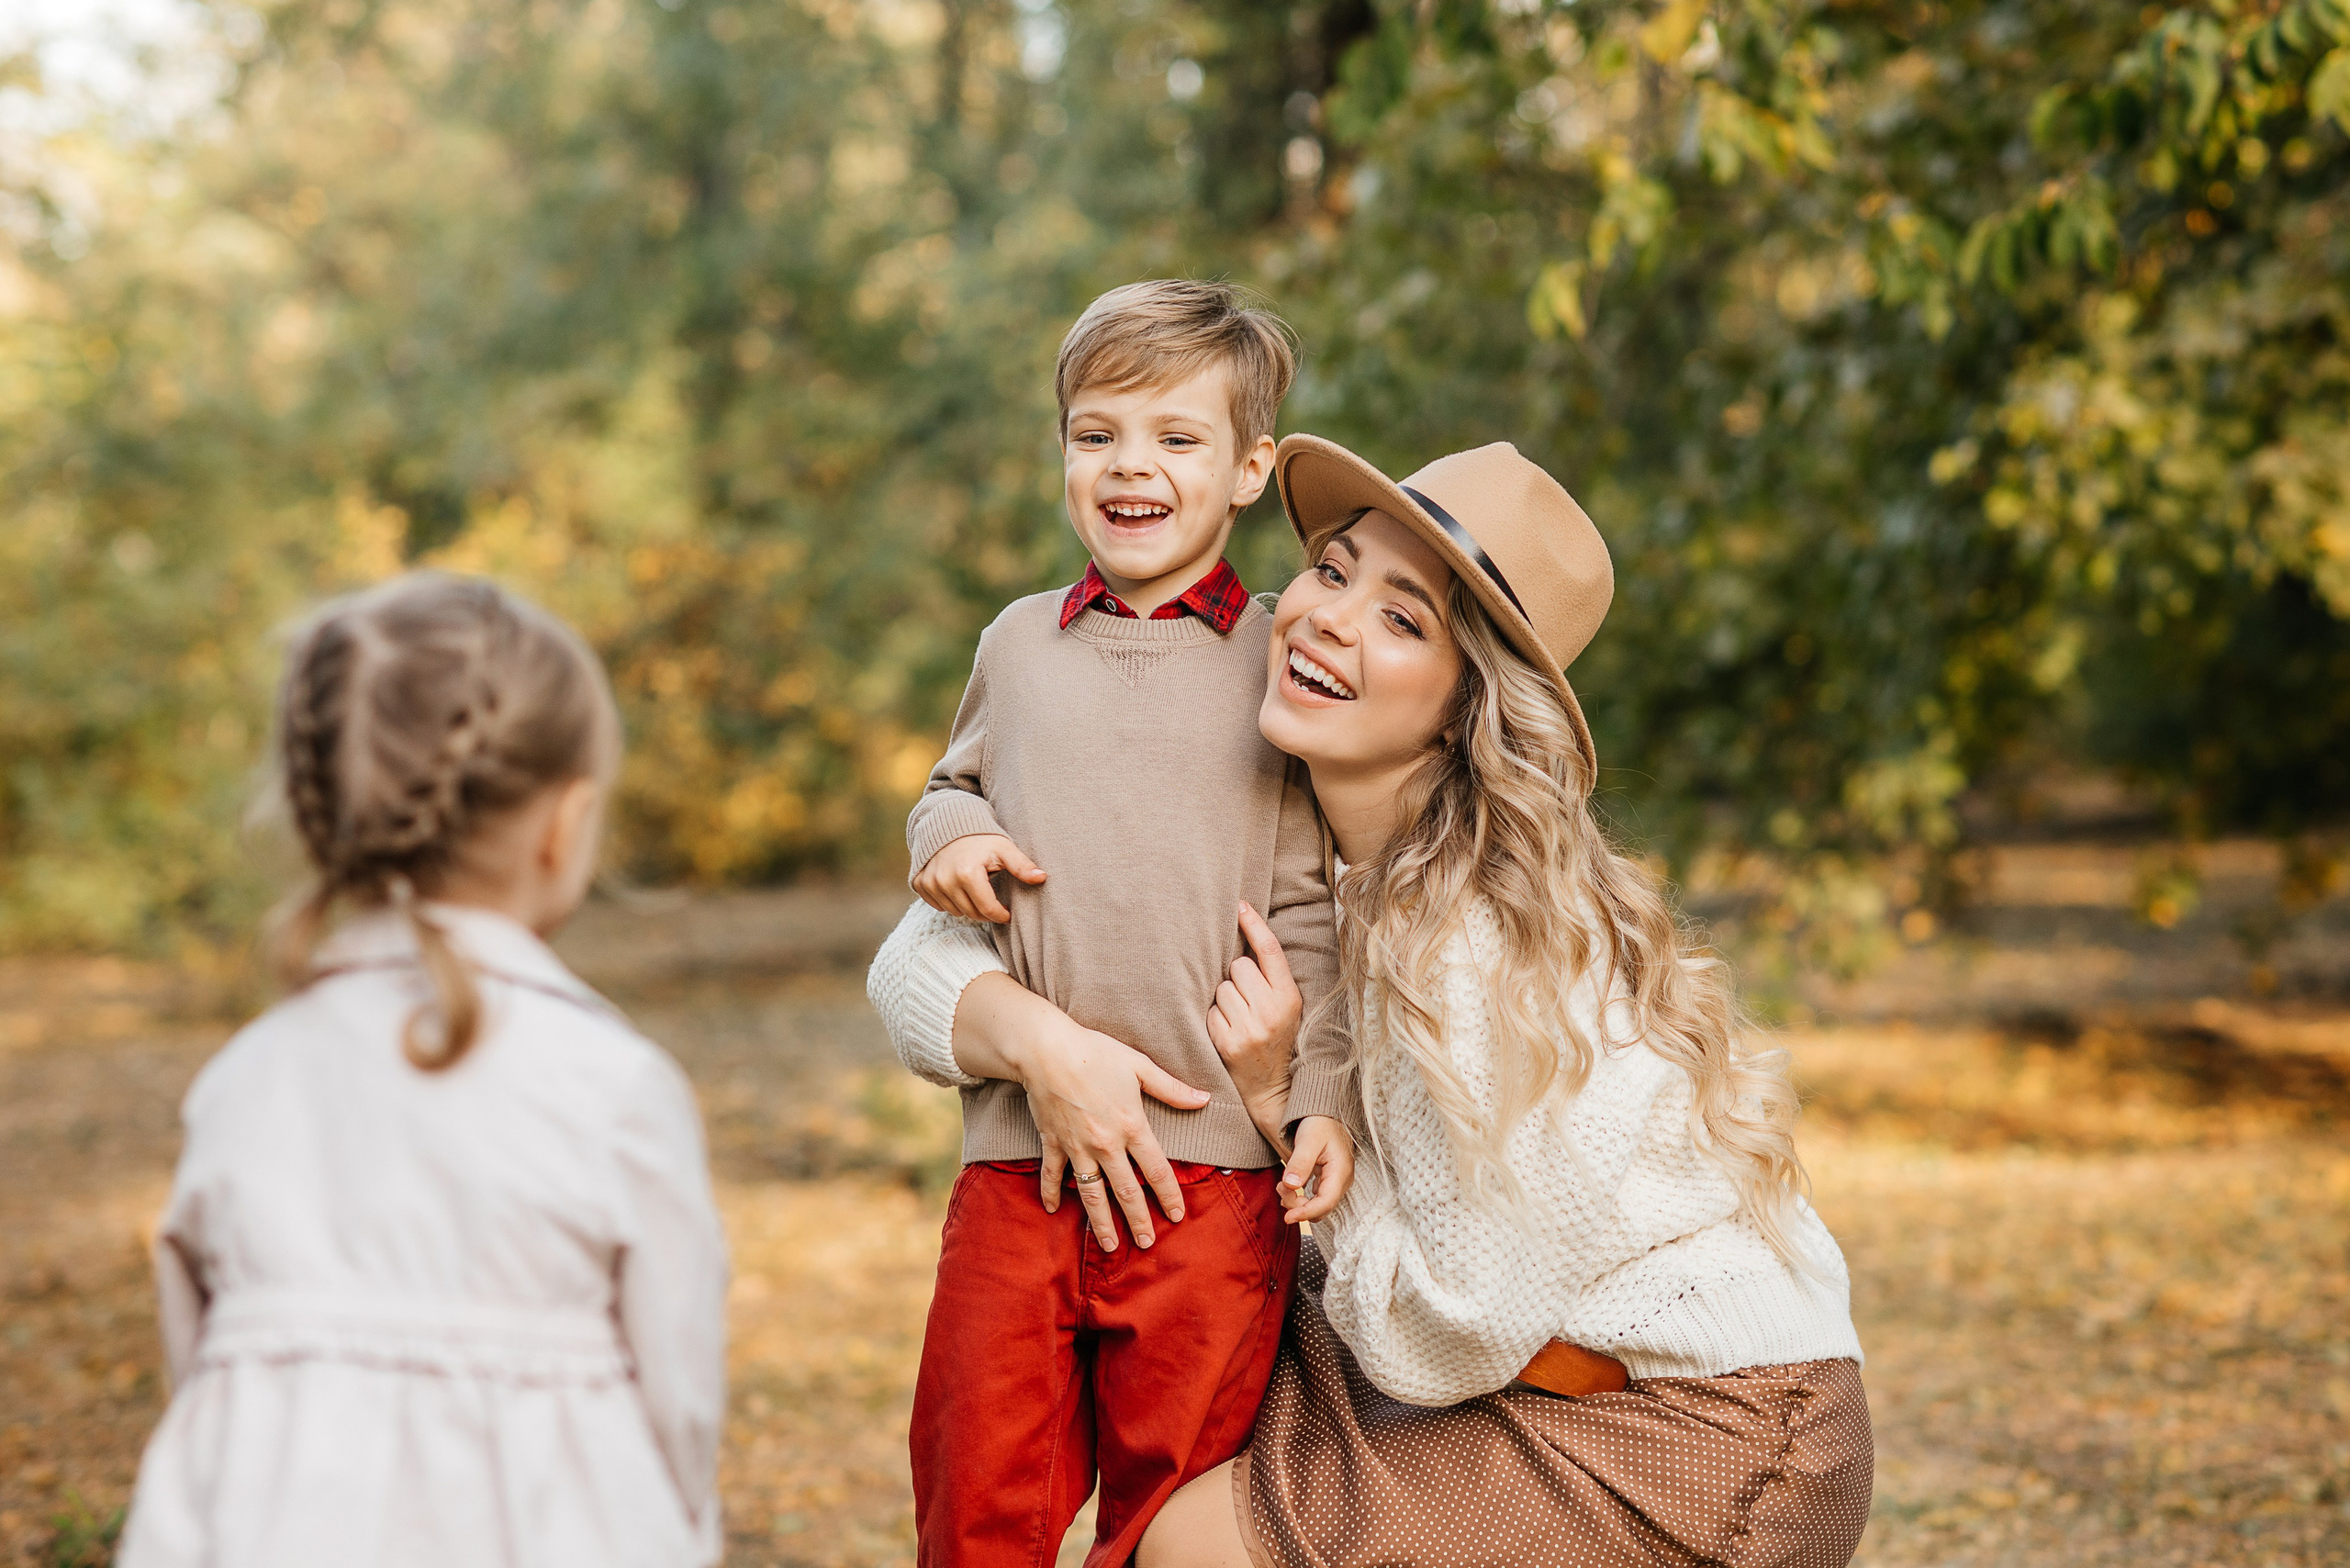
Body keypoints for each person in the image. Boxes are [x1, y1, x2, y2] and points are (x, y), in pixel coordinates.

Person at [873, 436, 1874, 1568]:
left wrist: (1277, 1104)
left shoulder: (1472, 933)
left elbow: (1458, 1321)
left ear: (1462, 709)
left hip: (1682, 1421)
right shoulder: (1247, 792)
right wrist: (1047, 1048)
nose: (1329, 620)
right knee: (1167, 1414)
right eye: (1333, 570)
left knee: (1187, 1544)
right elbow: (915, 963)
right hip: (1459, 1368)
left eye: (1404, 621)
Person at [864, 280, 1360, 1568]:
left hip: (1213, 1184)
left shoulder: (1280, 655)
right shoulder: (1019, 645)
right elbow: (949, 788)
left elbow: (1320, 911)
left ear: (1251, 469)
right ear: (1064, 454)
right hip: (1014, 1170)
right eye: (1098, 435)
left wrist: (1321, 1104)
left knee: (1176, 1515)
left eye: (1177, 439)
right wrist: (954, 839)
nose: (1132, 466)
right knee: (978, 1497)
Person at [118, 573, 730, 1568]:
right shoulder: (613, 1087)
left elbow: (198, 1370)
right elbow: (680, 1396)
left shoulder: (243, 1078)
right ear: (563, 823)